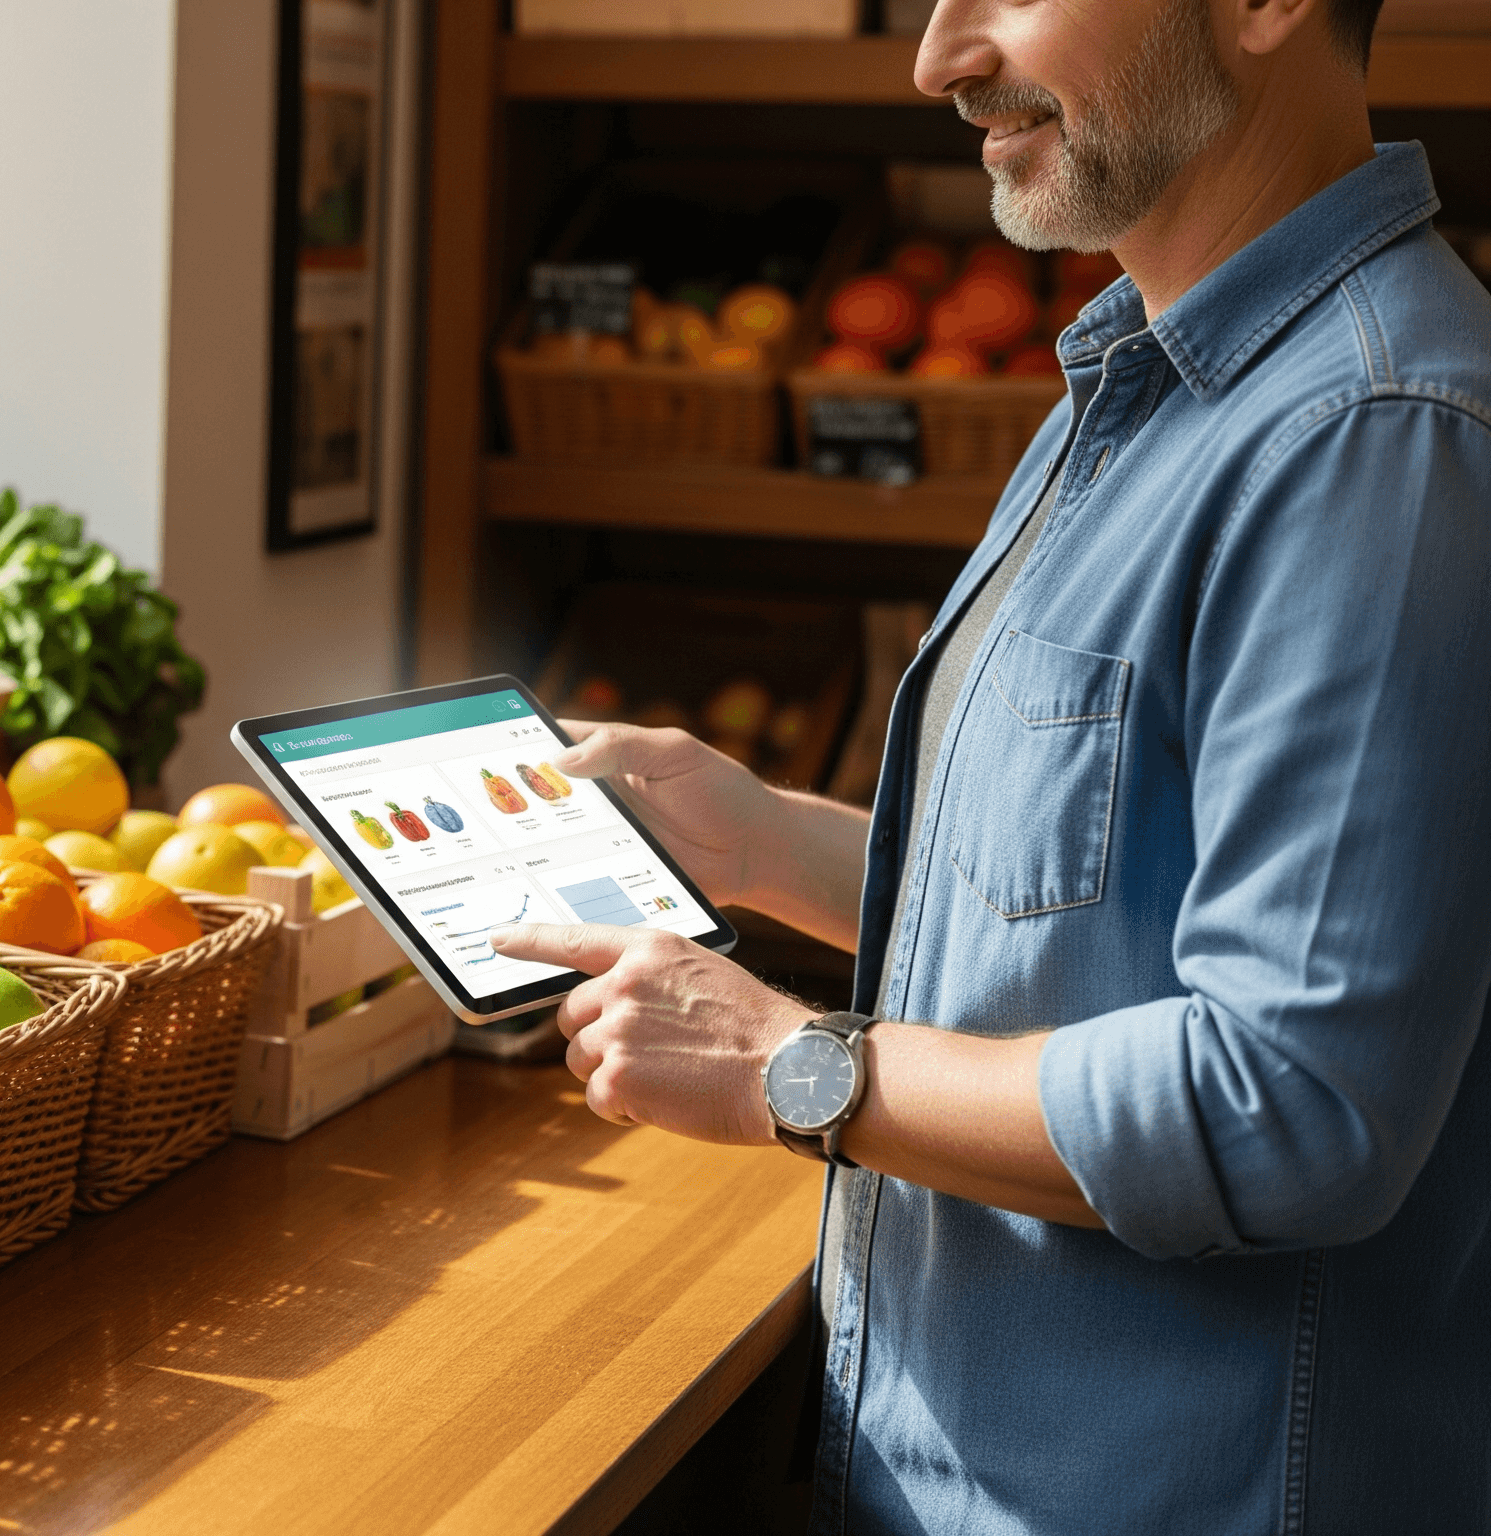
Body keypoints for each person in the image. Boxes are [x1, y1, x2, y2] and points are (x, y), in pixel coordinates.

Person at [488, 0, 1491, 1529]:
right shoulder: (1151, 381)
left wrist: (790, 1065)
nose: (939, 58)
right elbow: (1095, 907)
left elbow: (1291, 1104)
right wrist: (756, 842)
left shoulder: (1375, 434)